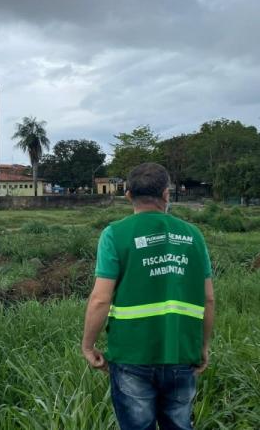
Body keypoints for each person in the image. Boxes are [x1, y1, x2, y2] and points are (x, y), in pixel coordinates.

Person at [81, 162, 215, 430]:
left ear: (128, 195)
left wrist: (88, 345)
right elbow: (208, 298)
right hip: (181, 351)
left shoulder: (114, 234)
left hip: (131, 355)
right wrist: (203, 346)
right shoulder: (193, 236)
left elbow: (100, 299)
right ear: (167, 194)